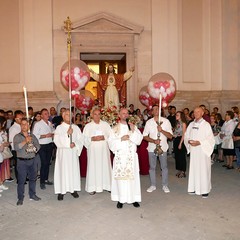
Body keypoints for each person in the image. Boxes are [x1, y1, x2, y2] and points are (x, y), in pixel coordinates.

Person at [108, 108, 143, 208]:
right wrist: (121, 139)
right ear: (119, 115)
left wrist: (133, 132)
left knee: (133, 179)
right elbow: (111, 144)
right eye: (123, 113)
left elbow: (139, 141)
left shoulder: (133, 127)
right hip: (121, 158)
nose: (125, 115)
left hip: (131, 157)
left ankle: (133, 198)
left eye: (127, 113)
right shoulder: (114, 129)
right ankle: (121, 199)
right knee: (121, 180)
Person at [184, 107, 215, 198]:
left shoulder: (206, 125)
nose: (196, 113)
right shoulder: (191, 124)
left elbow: (210, 139)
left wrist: (199, 142)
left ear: (202, 113)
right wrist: (189, 141)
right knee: (194, 169)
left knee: (203, 170)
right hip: (194, 151)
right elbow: (186, 135)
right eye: (194, 112)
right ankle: (193, 188)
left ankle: (205, 190)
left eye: (198, 111)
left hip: (202, 150)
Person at [53, 109, 84, 201]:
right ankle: (61, 191)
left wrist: (75, 144)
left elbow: (80, 139)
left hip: (72, 153)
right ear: (63, 116)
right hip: (63, 154)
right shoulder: (59, 128)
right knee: (63, 171)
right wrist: (67, 135)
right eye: (66, 114)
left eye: (70, 114)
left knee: (73, 170)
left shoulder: (76, 127)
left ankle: (73, 189)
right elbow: (56, 140)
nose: (69, 116)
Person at [143, 105, 173, 193]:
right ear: (152, 111)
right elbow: (144, 136)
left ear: (161, 111)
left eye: (158, 109)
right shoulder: (149, 122)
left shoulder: (166, 121)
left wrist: (162, 130)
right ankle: (153, 185)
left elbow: (170, 136)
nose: (156, 110)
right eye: (154, 109)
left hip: (163, 148)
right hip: (152, 148)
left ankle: (165, 185)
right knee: (152, 167)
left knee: (164, 167)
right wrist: (153, 141)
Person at [83, 107, 112, 195]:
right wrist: (92, 138)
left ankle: (107, 186)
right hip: (93, 151)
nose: (97, 116)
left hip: (104, 150)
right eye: (95, 114)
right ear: (92, 115)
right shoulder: (88, 126)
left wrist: (104, 137)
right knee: (93, 167)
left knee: (105, 166)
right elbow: (83, 138)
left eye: (99, 114)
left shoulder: (105, 125)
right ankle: (92, 187)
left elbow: (111, 136)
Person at [13, 118, 41, 205]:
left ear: (28, 126)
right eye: (22, 124)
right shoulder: (17, 136)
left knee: (33, 179)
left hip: (32, 160)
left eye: (26, 124)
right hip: (22, 162)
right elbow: (16, 147)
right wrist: (25, 141)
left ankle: (32, 194)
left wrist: (34, 148)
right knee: (21, 180)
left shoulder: (32, 136)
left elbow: (38, 145)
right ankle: (20, 198)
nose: (24, 126)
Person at [33, 108, 54, 190]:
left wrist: (52, 133)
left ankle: (46, 179)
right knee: (44, 163)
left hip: (49, 144)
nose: (47, 115)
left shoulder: (49, 123)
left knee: (48, 163)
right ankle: (42, 181)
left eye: (47, 113)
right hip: (42, 146)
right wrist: (45, 135)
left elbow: (53, 131)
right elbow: (35, 136)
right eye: (45, 113)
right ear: (41, 116)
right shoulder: (38, 124)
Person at [173, 111, 187, 178]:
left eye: (177, 115)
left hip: (181, 140)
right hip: (176, 139)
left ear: (181, 116)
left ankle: (183, 171)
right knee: (177, 156)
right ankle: (179, 169)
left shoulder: (183, 124)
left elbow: (184, 134)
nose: (176, 116)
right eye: (176, 115)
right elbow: (176, 132)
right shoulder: (177, 123)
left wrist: (180, 143)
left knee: (181, 157)